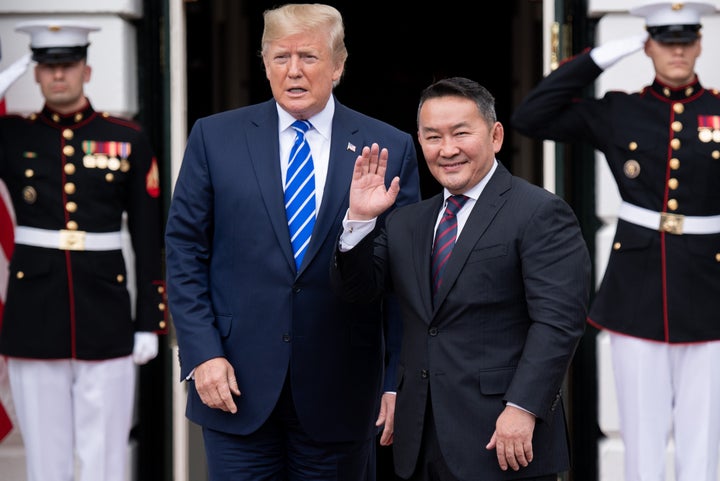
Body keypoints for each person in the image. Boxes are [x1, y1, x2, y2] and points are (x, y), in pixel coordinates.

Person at [164, 3, 420, 480]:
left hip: (341, 393)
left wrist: (395, 381)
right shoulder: (214, 137)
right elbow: (184, 252)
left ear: (338, 66)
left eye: (309, 56)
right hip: (233, 385)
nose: (294, 71)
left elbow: (404, 277)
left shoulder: (389, 147)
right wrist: (202, 352)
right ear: (264, 64)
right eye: (281, 57)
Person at [330, 76, 591, 481]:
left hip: (504, 438)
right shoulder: (406, 221)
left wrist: (523, 408)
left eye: (461, 133)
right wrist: (361, 221)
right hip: (421, 440)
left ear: (496, 135)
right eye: (432, 137)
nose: (447, 149)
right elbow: (358, 290)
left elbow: (558, 324)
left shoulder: (539, 212)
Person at [511, 2, 720, 480]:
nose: (677, 51)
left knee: (703, 436)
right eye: (666, 41)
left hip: (709, 287)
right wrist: (600, 56)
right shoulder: (621, 110)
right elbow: (530, 116)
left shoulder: (717, 110)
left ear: (700, 45)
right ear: (649, 45)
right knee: (640, 438)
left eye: (686, 41)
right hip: (637, 288)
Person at [0, 20, 167, 481]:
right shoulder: (11, 137)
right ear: (35, 73)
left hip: (106, 313)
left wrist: (149, 320)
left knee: (106, 456)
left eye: (68, 65)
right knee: (45, 461)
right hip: (34, 314)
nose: (58, 76)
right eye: (48, 66)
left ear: (86, 70)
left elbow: (148, 234)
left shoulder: (127, 138)